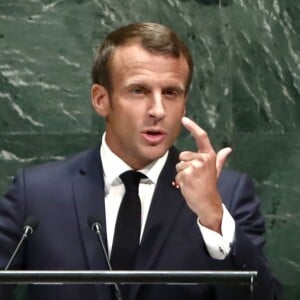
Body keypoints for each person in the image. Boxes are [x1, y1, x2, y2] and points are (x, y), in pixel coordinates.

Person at [0, 22, 281, 300]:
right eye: (139, 91)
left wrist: (213, 219)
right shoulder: (37, 194)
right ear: (101, 99)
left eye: (171, 93)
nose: (158, 110)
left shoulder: (226, 194)